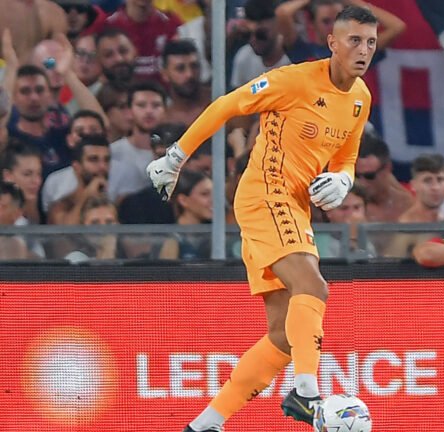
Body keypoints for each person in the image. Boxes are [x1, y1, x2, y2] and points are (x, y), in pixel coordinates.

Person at [146, 6, 376, 431]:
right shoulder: (293, 80)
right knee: (313, 286)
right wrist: (175, 157)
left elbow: (347, 157)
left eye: (370, 42)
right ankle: (306, 396)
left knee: (284, 337)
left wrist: (344, 181)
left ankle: (204, 425)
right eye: (354, 40)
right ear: (333, 42)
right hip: (264, 196)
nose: (363, 50)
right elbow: (228, 104)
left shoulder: (361, 98)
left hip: (294, 207)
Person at [276, 0, 404, 65]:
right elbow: (282, 13)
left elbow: (397, 27)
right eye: (326, 21)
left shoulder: (356, 52)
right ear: (312, 24)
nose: (334, 26)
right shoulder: (302, 51)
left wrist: (351, 1)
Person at [230, 0, 291, 89]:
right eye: (247, 35)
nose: (252, 40)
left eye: (260, 34)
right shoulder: (244, 57)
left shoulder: (291, 57)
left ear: (276, 26)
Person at [354, 133, 413, 222]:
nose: (363, 182)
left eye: (369, 176)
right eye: (357, 176)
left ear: (387, 169)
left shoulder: (407, 205)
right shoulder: (346, 207)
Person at [157, 169, 213, 259]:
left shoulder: (214, 235)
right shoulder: (171, 240)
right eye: (205, 194)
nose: (213, 200)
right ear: (183, 200)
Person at [161, 39, 210, 126]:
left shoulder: (219, 102)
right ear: (165, 74)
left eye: (194, 66)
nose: (189, 74)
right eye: (180, 68)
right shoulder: (160, 117)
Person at [1, 138, 43, 224]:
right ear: (7, 176)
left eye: (39, 174)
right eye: (27, 174)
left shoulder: (40, 210)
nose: (36, 181)